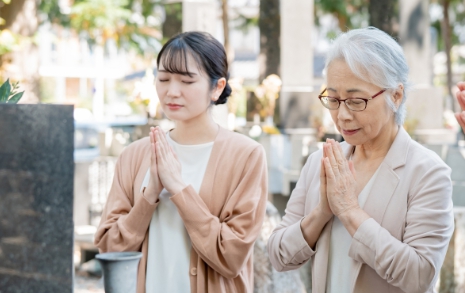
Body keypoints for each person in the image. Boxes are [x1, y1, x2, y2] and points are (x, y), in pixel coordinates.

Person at [267, 27, 454, 293]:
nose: (341, 115)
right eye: (333, 99)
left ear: (396, 95)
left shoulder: (427, 172)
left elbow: (419, 276)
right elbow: (278, 255)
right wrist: (321, 213)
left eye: (356, 101)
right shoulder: (321, 162)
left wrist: (350, 212)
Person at [94, 31, 268, 293]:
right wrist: (149, 194)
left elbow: (231, 256)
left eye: (187, 81)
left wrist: (178, 188)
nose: (171, 91)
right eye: (163, 79)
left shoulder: (246, 155)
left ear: (217, 87)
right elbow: (109, 248)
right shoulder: (134, 155)